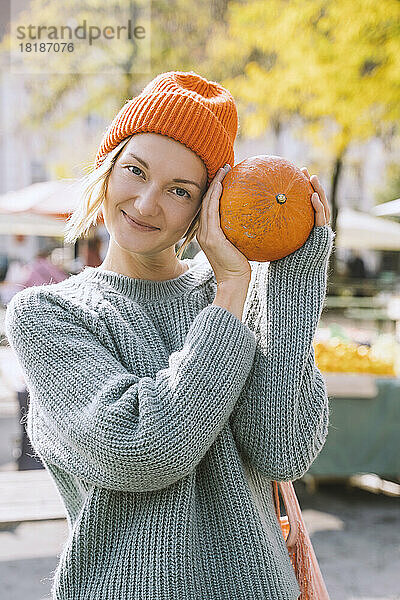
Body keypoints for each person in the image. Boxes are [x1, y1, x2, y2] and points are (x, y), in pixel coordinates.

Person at [4, 70, 334, 600]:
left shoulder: (237, 292)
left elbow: (284, 450)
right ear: (108, 169)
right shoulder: (49, 314)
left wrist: (293, 283)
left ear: (207, 206)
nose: (146, 202)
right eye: (135, 171)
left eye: (180, 190)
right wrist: (229, 299)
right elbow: (138, 449)